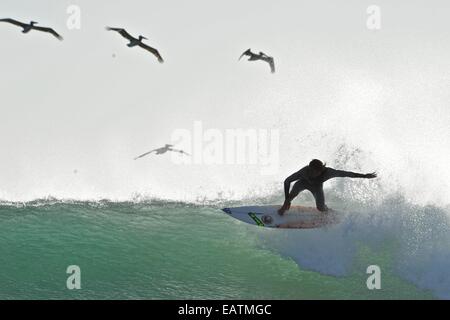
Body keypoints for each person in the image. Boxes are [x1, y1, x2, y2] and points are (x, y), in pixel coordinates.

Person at [278, 159, 377, 215]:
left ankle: (330, 213)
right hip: (302, 183)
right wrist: (287, 199)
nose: (312, 174)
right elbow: (287, 181)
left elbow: (346, 173)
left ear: (321, 170)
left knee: (321, 208)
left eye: (315, 172)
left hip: (316, 188)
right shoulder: (304, 171)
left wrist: (364, 176)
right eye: (311, 171)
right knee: (289, 198)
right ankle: (284, 208)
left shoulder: (328, 172)